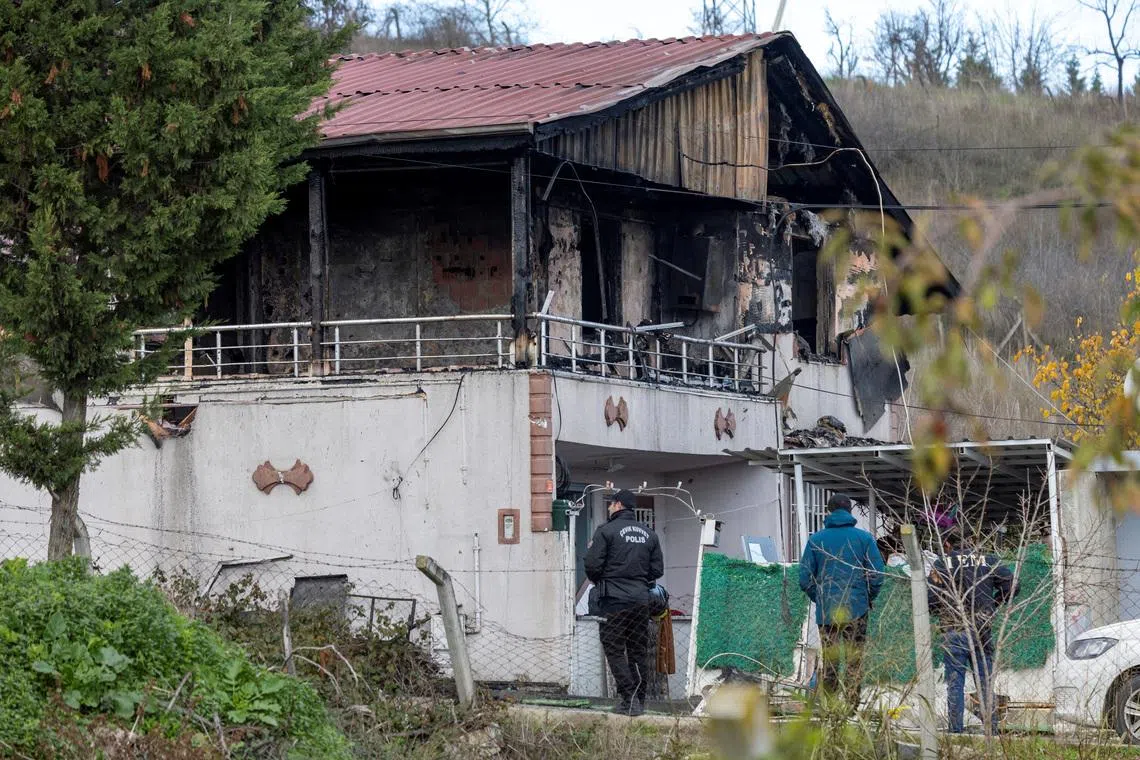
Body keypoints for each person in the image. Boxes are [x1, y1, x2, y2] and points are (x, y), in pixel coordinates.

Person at [798, 493, 885, 712]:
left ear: (828, 511)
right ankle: (852, 710)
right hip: (858, 609)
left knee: (830, 663)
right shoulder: (864, 539)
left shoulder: (816, 540)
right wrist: (867, 598)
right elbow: (877, 575)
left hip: (827, 612)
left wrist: (820, 598)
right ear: (850, 512)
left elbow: (804, 578)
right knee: (854, 662)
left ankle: (830, 710)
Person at [928, 530, 1018, 735]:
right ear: (974, 542)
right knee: (985, 681)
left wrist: (940, 612)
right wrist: (994, 604)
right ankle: (991, 730)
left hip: (953, 628)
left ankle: (955, 731)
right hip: (982, 629)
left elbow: (931, 598)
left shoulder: (942, 564)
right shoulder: (988, 560)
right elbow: (1013, 585)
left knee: (955, 682)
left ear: (947, 544)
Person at [584, 489, 664, 716]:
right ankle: (639, 699)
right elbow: (657, 570)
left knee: (614, 648)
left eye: (611, 503)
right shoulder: (650, 534)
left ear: (618, 505)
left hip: (614, 601)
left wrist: (604, 580)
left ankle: (628, 698)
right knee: (637, 649)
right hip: (641, 601)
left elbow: (592, 565)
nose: (609, 507)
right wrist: (639, 581)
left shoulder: (605, 531)